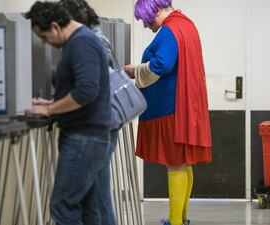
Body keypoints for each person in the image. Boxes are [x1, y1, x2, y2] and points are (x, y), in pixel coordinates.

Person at [124, 1, 212, 225]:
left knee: (176, 163)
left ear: (156, 10)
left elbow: (162, 65)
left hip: (169, 109)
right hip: (181, 107)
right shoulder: (186, 25)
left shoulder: (170, 29)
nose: (147, 25)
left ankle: (174, 222)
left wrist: (136, 70)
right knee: (183, 163)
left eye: (147, 19)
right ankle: (180, 219)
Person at [25, 2, 112, 224]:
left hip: (84, 138)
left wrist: (49, 109)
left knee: (62, 205)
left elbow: (86, 91)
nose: (45, 42)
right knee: (88, 208)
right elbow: (80, 88)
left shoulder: (81, 43)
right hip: (88, 136)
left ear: (55, 26)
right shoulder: (80, 41)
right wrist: (52, 101)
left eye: (43, 36)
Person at [57, 0, 119, 224]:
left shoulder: (90, 43)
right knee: (95, 200)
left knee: (100, 200)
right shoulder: (97, 40)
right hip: (104, 125)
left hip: (98, 127)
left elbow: (89, 88)